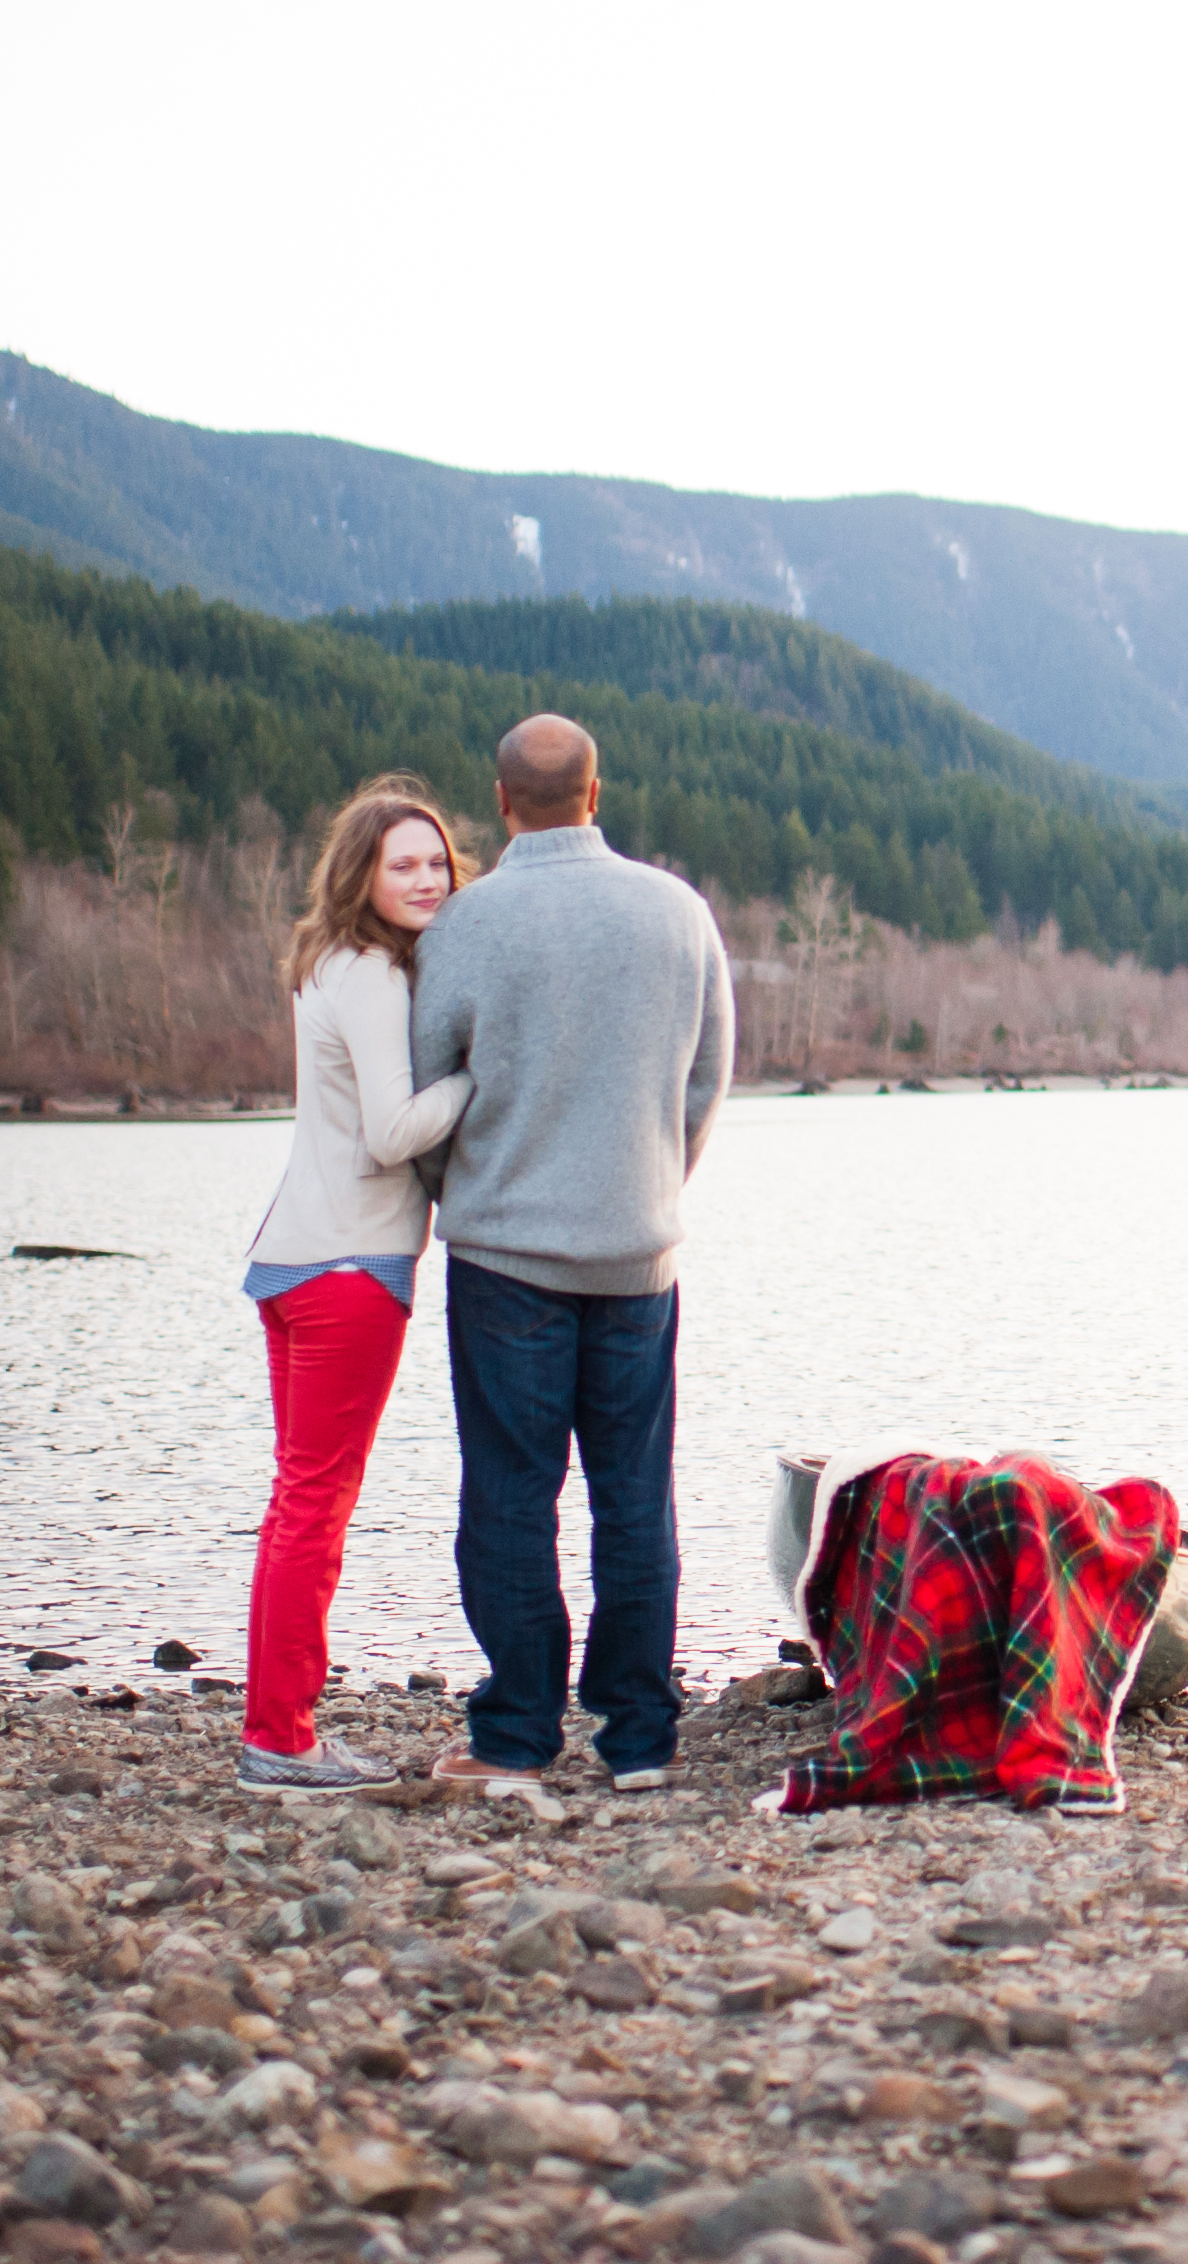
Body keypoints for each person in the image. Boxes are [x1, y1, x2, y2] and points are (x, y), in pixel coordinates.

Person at [410, 714, 738, 1793]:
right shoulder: (677, 913)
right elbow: (704, 1082)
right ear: (595, 794)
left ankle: (515, 1736)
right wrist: (649, 1182)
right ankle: (640, 1741)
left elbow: (426, 1096)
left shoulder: (465, 922)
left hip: (506, 1254)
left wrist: (455, 1193)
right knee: (633, 1494)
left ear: (502, 804)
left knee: (511, 1492)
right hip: (638, 1253)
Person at [231, 777, 477, 1793]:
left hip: (291, 1259)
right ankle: (280, 1741)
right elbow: (390, 1134)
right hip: (346, 1268)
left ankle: (277, 1725)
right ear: (361, 873)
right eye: (402, 864)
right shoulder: (373, 974)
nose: (425, 879)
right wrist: (477, 1077)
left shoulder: (324, 959)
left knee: (297, 1499)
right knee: (315, 1506)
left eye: (436, 862)